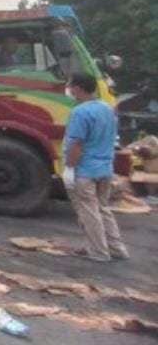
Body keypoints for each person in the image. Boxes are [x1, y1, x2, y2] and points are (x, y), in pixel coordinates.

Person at [63, 72, 129, 262]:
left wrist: (69, 169)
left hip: (85, 170)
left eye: (69, 84)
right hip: (105, 169)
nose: (68, 88)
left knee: (88, 212)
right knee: (103, 208)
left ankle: (99, 251)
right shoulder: (107, 108)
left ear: (77, 88)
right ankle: (116, 248)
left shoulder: (80, 112)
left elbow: (76, 144)